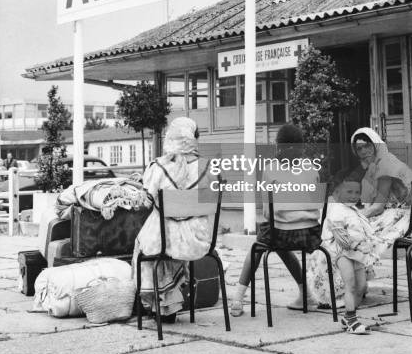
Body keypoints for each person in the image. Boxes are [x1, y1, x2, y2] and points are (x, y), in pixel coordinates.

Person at [308, 127, 412, 306]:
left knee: (351, 235)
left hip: (396, 217)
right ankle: (346, 287)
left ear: (375, 144)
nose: (364, 151)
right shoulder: (373, 167)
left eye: (367, 146)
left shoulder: (386, 165)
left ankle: (349, 290)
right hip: (383, 214)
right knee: (341, 233)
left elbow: (378, 207)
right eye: (359, 148)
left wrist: (353, 216)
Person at [230, 124, 322, 317]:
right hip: (310, 235)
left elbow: (267, 212)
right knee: (280, 242)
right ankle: (306, 295)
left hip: (282, 234)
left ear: (278, 146)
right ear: (302, 146)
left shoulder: (271, 169)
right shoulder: (312, 168)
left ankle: (238, 298)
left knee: (259, 246)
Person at [133, 117, 213, 321]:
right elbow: (210, 201)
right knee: (170, 237)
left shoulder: (158, 167)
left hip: (163, 242)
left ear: (171, 137)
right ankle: (168, 303)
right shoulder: (209, 167)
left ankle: (158, 303)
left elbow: (145, 202)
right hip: (199, 240)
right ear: (193, 139)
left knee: (146, 241)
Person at [324, 176, 383, 334]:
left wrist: (368, 244)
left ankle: (347, 317)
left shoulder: (353, 210)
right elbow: (342, 239)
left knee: (361, 286)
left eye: (357, 192)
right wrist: (359, 246)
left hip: (356, 253)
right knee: (350, 285)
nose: (353, 195)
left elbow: (361, 231)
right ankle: (351, 320)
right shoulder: (336, 211)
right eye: (349, 191)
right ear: (337, 193)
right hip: (342, 253)